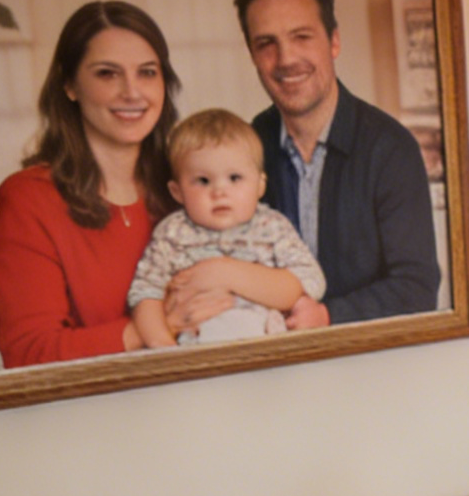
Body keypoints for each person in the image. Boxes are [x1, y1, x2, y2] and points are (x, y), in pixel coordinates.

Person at [232, 0, 443, 326]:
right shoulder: (246, 148)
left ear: (334, 41)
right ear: (252, 53)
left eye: (301, 36)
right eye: (267, 43)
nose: (285, 59)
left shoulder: (391, 148)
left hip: (367, 368)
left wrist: (329, 316)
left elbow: (417, 288)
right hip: (269, 365)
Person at [0, 1, 183, 367]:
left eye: (147, 72)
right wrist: (151, 330)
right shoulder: (29, 199)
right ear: (70, 85)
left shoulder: (186, 185)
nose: (132, 92)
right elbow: (29, 354)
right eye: (107, 74)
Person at [126, 110, 327, 349]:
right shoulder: (172, 234)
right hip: (196, 355)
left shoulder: (272, 227)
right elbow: (144, 293)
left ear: (260, 185)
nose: (219, 192)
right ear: (177, 191)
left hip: (269, 350)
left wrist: (228, 275)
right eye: (203, 181)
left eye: (234, 178)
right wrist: (161, 345)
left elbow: (311, 282)